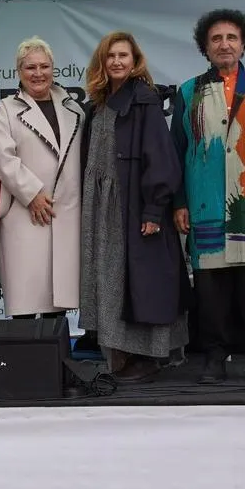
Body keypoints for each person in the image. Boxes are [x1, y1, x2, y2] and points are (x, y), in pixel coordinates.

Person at [171, 9, 245, 386]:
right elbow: (175, 153)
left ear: (243, 45)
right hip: (205, 203)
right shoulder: (188, 92)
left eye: (232, 38)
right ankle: (213, 358)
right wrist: (179, 202)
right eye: (216, 39)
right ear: (205, 48)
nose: (225, 44)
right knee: (210, 290)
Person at [80, 31, 190, 382]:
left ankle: (148, 356)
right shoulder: (97, 103)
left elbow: (161, 159)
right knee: (109, 279)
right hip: (101, 206)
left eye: (123, 56)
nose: (116, 62)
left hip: (131, 203)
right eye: (110, 56)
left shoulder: (144, 99)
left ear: (135, 60)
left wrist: (153, 210)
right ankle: (119, 354)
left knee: (138, 280)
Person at [0, 37, 85, 319]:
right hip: (24, 213)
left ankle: (59, 360)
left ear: (54, 68)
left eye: (44, 66)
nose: (38, 73)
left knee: (58, 302)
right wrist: (31, 194)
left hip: (65, 212)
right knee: (26, 299)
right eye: (30, 67)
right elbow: (2, 158)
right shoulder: (6, 109)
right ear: (19, 71)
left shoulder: (73, 109)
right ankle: (27, 361)